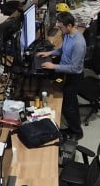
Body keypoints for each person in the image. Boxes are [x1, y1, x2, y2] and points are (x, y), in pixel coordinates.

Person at [37, 11, 86, 140]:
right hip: (65, 72)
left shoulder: (79, 44)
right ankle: (75, 123)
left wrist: (54, 66)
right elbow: (62, 50)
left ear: (69, 25)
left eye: (61, 27)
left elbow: (75, 68)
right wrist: (49, 53)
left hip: (74, 77)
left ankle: (76, 132)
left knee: (67, 106)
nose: (60, 29)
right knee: (71, 103)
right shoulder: (67, 35)